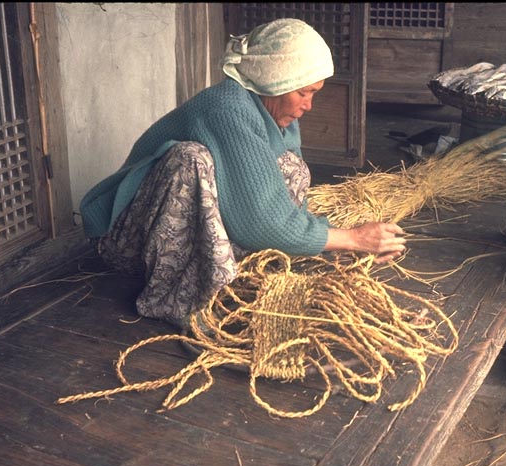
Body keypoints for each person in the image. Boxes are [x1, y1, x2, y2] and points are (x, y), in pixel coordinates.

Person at [79, 18, 406, 332]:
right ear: (277, 82)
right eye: (303, 92)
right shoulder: (226, 109)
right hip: (127, 243)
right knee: (190, 159)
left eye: (313, 94)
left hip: (174, 238)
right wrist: (353, 239)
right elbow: (265, 220)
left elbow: (283, 204)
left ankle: (225, 270)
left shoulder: (278, 118)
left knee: (290, 168)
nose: (309, 105)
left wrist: (334, 246)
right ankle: (176, 298)